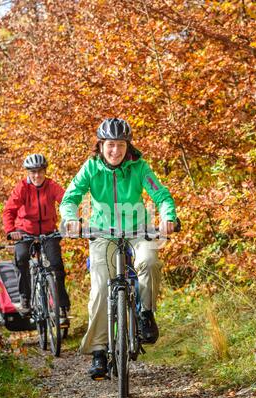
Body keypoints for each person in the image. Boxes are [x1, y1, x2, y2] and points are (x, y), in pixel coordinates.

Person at [60, 118, 177, 379]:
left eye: (121, 145)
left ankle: (145, 313)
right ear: (101, 145)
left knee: (149, 261)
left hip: (138, 230)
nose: (116, 151)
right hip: (102, 233)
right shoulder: (90, 168)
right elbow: (71, 197)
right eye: (110, 145)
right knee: (101, 288)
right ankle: (99, 351)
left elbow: (161, 195)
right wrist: (70, 219)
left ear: (128, 145)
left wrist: (168, 217)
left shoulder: (139, 167)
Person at [3, 153, 70, 319]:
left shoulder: (51, 186)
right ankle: (25, 297)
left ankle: (62, 305)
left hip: (48, 232)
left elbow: (66, 202)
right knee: (21, 258)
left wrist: (69, 222)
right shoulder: (22, 188)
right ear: (28, 173)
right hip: (24, 232)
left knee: (56, 265)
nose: (37, 175)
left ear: (45, 171)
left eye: (40, 171)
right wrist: (11, 231)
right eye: (33, 172)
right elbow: (9, 210)